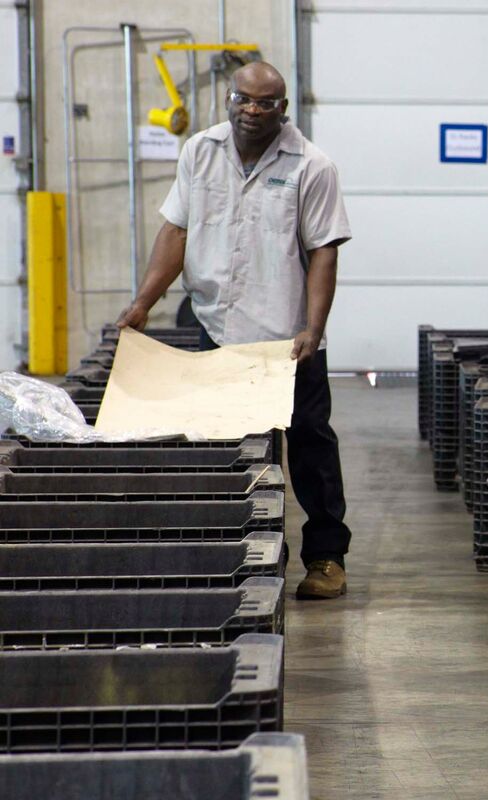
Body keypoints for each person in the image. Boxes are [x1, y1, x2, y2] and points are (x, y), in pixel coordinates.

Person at [115, 62, 353, 599]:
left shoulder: (311, 166)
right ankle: (247, 552)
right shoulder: (200, 151)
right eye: (243, 99)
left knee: (310, 447)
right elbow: (176, 231)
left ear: (282, 108)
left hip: (288, 343)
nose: (251, 110)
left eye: (265, 103)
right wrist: (143, 303)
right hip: (218, 332)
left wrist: (313, 329)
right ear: (228, 99)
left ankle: (326, 557)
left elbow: (323, 254)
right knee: (228, 447)